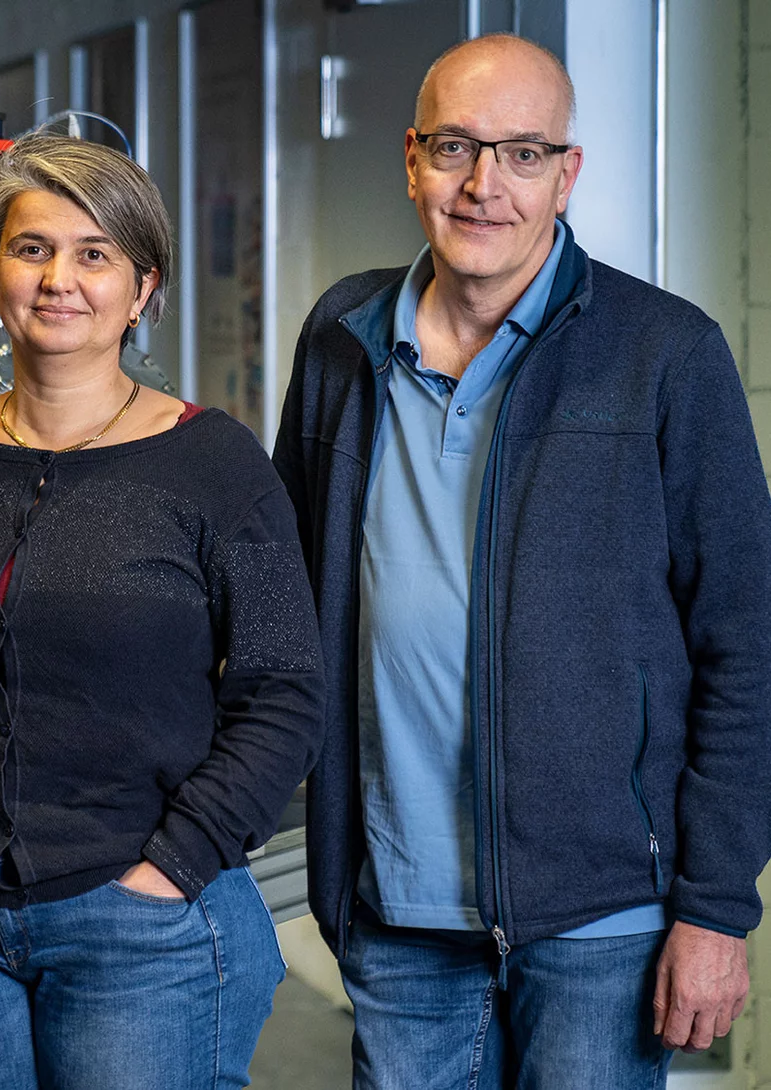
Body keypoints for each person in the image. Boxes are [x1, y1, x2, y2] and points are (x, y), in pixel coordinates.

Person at [273, 33, 771, 1088]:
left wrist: (717, 908)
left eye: (523, 152)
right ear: (411, 160)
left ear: (567, 172)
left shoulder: (665, 353)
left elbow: (748, 645)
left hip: (601, 916)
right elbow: (285, 601)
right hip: (395, 906)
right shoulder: (340, 341)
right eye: (455, 146)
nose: (484, 184)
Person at [0, 133, 324, 1090]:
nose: (60, 278)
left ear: (142, 291)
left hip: (137, 923)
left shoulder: (214, 466)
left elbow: (285, 690)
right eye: (32, 247)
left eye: (95, 254)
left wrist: (172, 869)